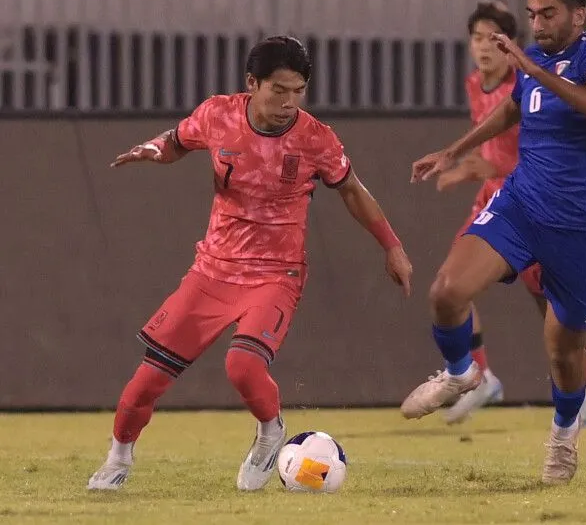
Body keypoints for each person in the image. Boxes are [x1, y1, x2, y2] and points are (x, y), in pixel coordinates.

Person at [86, 36, 413, 492]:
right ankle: (118, 459)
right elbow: (178, 141)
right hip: (212, 271)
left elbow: (353, 190)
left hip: (276, 273)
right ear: (251, 83)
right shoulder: (218, 113)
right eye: (278, 90)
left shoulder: (316, 138)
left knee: (242, 366)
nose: (288, 102)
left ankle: (270, 431)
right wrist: (153, 150)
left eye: (298, 91)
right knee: (143, 385)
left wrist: (392, 247)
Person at [405, 0, 586, 485]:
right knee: (446, 291)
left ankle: (564, 432)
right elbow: (511, 109)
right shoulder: (532, 64)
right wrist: (453, 151)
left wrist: (530, 65)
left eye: (547, 13)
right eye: (532, 15)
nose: (538, 23)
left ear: (578, 13)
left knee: (562, 347)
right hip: (522, 204)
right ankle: (463, 372)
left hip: (583, 226)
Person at [435, 0, 586, 427]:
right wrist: (464, 169)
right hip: (496, 200)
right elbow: (489, 147)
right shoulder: (475, 83)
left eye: (493, 39)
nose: (483, 48)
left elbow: (543, 157)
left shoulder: (529, 86)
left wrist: (492, 168)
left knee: (552, 305)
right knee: (452, 285)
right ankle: (480, 375)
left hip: (535, 199)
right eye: (476, 38)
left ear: (509, 46)